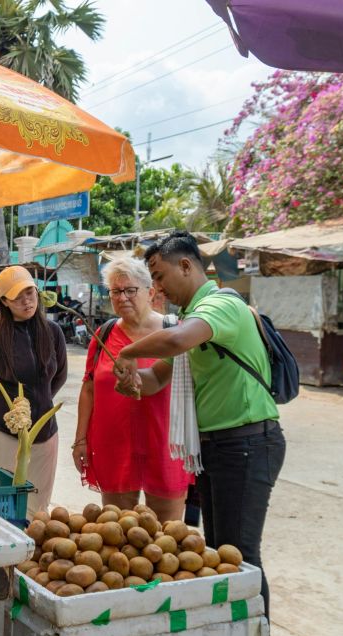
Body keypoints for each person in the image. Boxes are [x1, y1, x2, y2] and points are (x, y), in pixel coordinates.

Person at [111, 231, 283, 615]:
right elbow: (157, 378)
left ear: (186, 265)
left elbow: (175, 342)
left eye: (159, 276)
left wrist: (129, 352)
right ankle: (233, 631)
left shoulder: (220, 305)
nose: (158, 288)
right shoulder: (191, 318)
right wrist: (133, 383)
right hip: (217, 446)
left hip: (246, 442)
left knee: (240, 555)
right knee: (221, 551)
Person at [73, 256, 190, 522]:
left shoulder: (175, 332)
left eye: (130, 290)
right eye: (115, 291)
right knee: (118, 530)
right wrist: (80, 440)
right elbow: (89, 389)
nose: (122, 297)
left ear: (150, 292)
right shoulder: (103, 335)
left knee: (167, 532)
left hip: (165, 445)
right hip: (115, 445)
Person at [0, 266, 67, 516]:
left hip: (45, 433)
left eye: (30, 293)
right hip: (4, 434)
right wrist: (5, 410)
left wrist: (40, 403)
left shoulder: (53, 331)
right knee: (3, 505)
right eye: (17, 297)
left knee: (37, 507)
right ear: (4, 301)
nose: (27, 301)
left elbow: (60, 375)